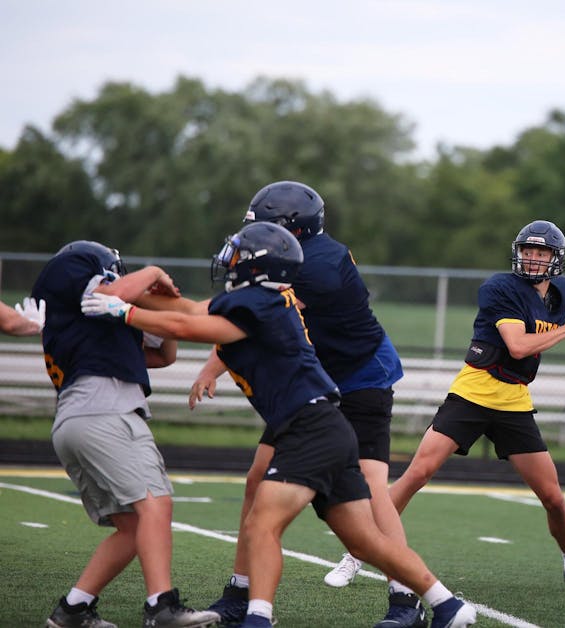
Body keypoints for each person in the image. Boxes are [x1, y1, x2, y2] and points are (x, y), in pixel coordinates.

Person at [81, 222, 477, 628]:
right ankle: (446, 604)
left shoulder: (258, 304)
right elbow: (189, 311)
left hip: (309, 426)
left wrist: (126, 311)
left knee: (262, 522)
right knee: (363, 539)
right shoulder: (263, 299)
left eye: (238, 254)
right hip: (322, 423)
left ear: (258, 266)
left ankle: (257, 618)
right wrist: (147, 297)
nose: (229, 259)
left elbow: (190, 327)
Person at [388, 219, 565, 594]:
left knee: (553, 497)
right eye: (528, 251)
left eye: (541, 253)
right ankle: (361, 550)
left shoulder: (556, 292)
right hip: (474, 392)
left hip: (515, 399)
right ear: (518, 253)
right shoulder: (500, 288)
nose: (533, 259)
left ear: (555, 259)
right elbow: (518, 346)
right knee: (417, 473)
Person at [190, 181, 421, 628]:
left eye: (265, 231)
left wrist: (131, 308)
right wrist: (210, 368)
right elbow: (251, 319)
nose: (253, 243)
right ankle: (240, 591)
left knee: (372, 490)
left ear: (291, 230)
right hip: (313, 380)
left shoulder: (315, 266)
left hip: (360, 378)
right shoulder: (295, 258)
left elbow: (233, 312)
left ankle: (406, 599)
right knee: (258, 478)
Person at [33, 240, 220, 628]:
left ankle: (74, 609)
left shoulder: (91, 330)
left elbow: (163, 355)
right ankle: (161, 607)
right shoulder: (72, 272)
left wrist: (154, 304)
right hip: (104, 408)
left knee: (134, 529)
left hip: (81, 416)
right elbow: (110, 293)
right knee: (156, 504)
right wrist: (151, 272)